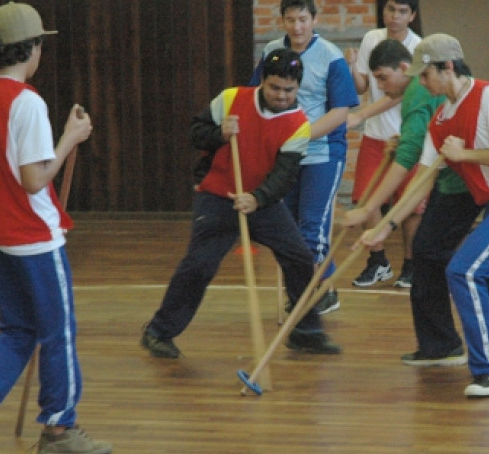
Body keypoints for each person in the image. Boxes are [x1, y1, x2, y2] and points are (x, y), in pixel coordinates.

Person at [0, 2, 111, 454]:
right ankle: (61, 428)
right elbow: (35, 178)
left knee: (18, 327)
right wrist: (70, 138)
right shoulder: (26, 102)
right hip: (31, 235)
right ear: (33, 47)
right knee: (57, 330)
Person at [361, 34, 489, 398]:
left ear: (447, 67)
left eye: (426, 74)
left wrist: (465, 156)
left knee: (464, 269)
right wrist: (385, 226)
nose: (422, 82)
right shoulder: (441, 117)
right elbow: (421, 182)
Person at [141, 49, 341, 360]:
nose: (281, 95)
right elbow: (196, 133)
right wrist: (219, 133)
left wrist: (257, 199)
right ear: (263, 81)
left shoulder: (298, 125)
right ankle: (159, 332)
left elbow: (284, 176)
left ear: (297, 88)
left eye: (289, 90)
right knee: (200, 264)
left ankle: (306, 331)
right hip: (218, 195)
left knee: (300, 258)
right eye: (274, 87)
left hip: (262, 200)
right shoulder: (232, 99)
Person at [341, 38, 474, 367]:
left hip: (465, 182)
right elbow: (421, 146)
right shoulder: (423, 92)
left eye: (383, 78)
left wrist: (372, 210)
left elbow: (409, 160)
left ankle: (448, 344)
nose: (382, 87)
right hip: (459, 178)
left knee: (434, 253)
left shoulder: (416, 93)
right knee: (437, 253)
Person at [250, 0, 359, 315]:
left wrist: (302, 135)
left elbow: (340, 111)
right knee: (291, 228)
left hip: (322, 152)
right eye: (290, 20)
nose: (297, 27)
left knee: (312, 227)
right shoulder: (272, 51)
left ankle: (311, 296)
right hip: (284, 155)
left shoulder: (330, 56)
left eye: (302, 19)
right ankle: (321, 284)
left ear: (314, 20)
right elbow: (256, 92)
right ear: (282, 21)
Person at [345, 0, 421, 288]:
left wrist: (360, 115)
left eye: (402, 11)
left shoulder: (419, 49)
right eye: (390, 10)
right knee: (366, 198)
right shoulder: (372, 39)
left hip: (407, 136)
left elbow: (401, 94)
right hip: (376, 137)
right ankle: (378, 262)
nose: (395, 17)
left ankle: (412, 264)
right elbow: (363, 86)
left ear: (412, 16)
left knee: (412, 205)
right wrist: (353, 67)